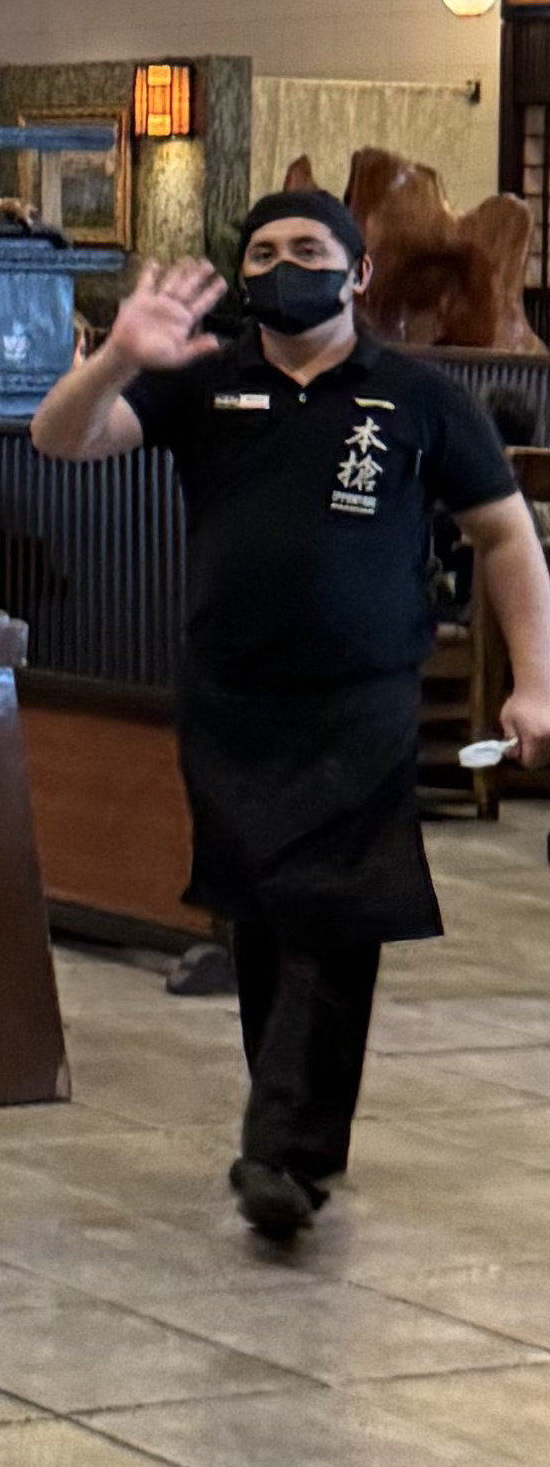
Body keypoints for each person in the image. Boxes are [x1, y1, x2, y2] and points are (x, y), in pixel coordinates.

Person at [32, 191, 550, 1238]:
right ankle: (299, 1135)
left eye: (308, 249)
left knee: (326, 908)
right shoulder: (201, 378)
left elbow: (504, 536)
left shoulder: (418, 397)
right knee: (264, 915)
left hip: (360, 700)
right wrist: (118, 357)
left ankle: (280, 1150)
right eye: (262, 251)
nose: (283, 266)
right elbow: (61, 437)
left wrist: (534, 678)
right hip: (228, 698)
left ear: (358, 274)